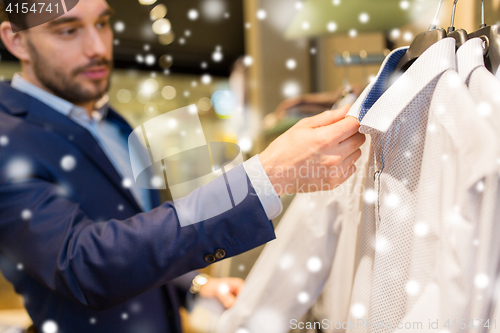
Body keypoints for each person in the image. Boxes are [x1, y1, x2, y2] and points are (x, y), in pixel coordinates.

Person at [0, 0, 366, 332]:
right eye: (68, 30)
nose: (97, 47)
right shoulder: (8, 138)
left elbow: (144, 230)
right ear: (15, 41)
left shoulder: (114, 125)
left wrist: (196, 285)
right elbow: (84, 264)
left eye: (103, 23)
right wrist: (262, 177)